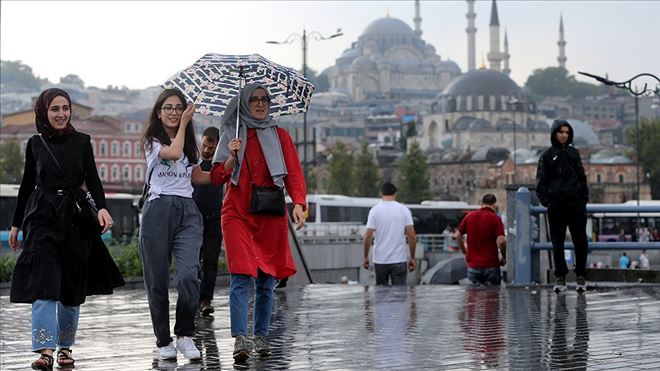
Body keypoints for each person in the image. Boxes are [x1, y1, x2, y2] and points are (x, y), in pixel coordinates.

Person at [8, 88, 124, 370]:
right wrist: (15, 224)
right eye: (55, 109)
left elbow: (93, 180)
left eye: (65, 108)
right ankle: (46, 351)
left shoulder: (83, 141)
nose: (61, 114)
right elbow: (26, 186)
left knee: (71, 291)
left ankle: (65, 348)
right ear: (44, 113)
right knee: (44, 286)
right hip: (42, 219)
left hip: (74, 221)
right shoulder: (35, 144)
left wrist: (104, 207)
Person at [210, 83, 307, 364]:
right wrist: (231, 158)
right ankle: (241, 337)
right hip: (237, 213)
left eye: (265, 99)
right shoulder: (231, 133)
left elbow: (294, 174)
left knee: (267, 280)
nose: (261, 104)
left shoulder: (280, 136)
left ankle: (261, 335)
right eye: (254, 100)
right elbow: (217, 177)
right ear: (244, 103)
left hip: (270, 213)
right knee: (241, 274)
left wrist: (299, 203)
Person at [139, 88, 212, 361]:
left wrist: (228, 164)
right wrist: (183, 124)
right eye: (168, 108)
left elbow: (198, 176)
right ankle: (163, 340)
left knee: (189, 275)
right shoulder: (152, 141)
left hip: (187, 211)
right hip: (159, 209)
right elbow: (173, 153)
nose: (173, 112)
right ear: (159, 113)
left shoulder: (189, 143)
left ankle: (185, 335)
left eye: (178, 108)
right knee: (157, 281)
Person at [536, 119, 590, 293]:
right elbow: (541, 181)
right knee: (557, 243)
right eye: (561, 132)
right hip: (557, 206)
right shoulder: (546, 156)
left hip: (576, 206)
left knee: (580, 241)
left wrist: (582, 200)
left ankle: (580, 275)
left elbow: (582, 177)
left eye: (567, 132)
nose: (564, 135)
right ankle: (560, 277)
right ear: (554, 133)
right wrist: (548, 203)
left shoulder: (574, 153)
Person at [193, 126, 224, 317]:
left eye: (210, 148)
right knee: (193, 262)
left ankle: (206, 300)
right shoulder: (193, 161)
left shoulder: (220, 164)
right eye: (204, 145)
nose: (206, 150)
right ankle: (193, 297)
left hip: (214, 220)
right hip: (193, 221)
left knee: (210, 262)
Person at [363, 182, 417, 285]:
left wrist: (365, 257)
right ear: (395, 193)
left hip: (380, 260)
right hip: (399, 260)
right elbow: (412, 235)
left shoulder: (374, 210)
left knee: (381, 295)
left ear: (381, 193)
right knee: (399, 296)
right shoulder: (404, 210)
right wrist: (412, 257)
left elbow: (368, 236)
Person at [454, 194, 507, 286]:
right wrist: (504, 257)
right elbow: (501, 241)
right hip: (491, 264)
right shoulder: (496, 218)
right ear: (494, 204)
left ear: (482, 203)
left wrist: (465, 253)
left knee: (473, 297)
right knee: (492, 296)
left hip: (473, 265)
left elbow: (457, 236)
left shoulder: (470, 216)